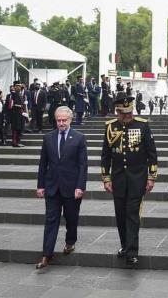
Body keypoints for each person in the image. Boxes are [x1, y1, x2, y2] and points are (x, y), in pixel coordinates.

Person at [100, 94, 158, 266]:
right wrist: (106, 177)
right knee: (120, 215)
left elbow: (151, 153)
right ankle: (125, 245)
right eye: (124, 113)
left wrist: (151, 176)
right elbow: (105, 154)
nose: (128, 115)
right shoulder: (110, 127)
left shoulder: (142, 125)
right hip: (118, 179)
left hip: (137, 178)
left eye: (129, 112)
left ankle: (132, 251)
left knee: (132, 215)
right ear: (117, 112)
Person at [35, 107, 88, 269]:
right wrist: (40, 185)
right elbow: (43, 163)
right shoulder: (48, 138)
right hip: (52, 187)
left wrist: (80, 186)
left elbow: (82, 165)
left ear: (70, 120)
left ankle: (70, 241)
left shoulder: (79, 138)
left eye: (64, 120)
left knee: (71, 218)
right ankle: (46, 254)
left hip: (71, 187)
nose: (61, 123)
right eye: (59, 120)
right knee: (51, 220)